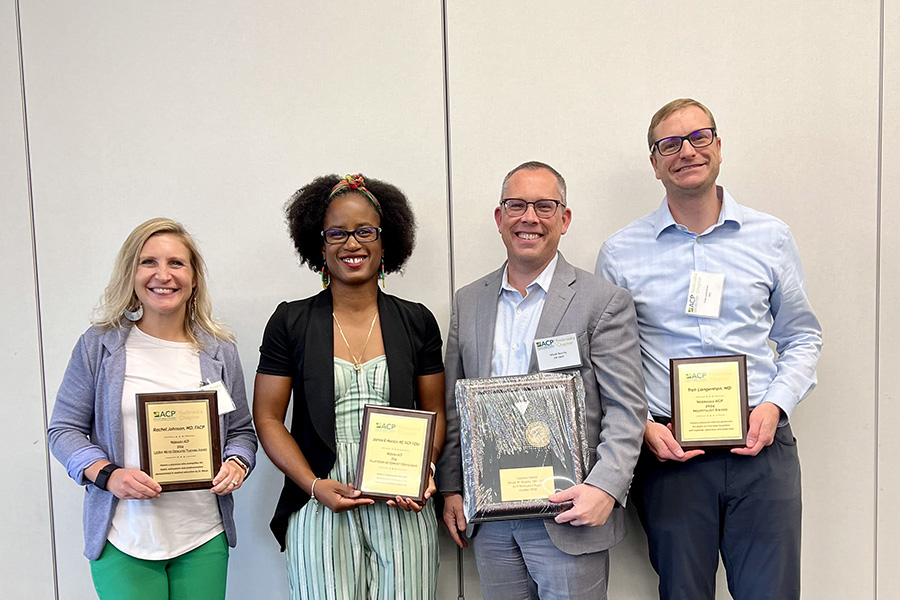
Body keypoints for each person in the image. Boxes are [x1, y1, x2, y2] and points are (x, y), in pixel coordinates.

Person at [596, 98, 823, 600]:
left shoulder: (771, 237)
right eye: (669, 144)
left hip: (760, 444)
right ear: (654, 163)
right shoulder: (621, 251)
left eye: (699, 137)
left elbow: (802, 336)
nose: (687, 152)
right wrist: (643, 427)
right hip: (671, 454)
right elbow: (611, 363)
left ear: (718, 146)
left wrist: (774, 405)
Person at [437, 161, 647, 600]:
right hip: (491, 520)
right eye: (516, 205)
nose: (529, 217)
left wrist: (604, 488)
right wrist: (454, 488)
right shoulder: (469, 301)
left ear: (564, 219)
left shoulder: (602, 302)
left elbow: (627, 410)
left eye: (544, 206)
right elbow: (457, 406)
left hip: (568, 515)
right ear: (499, 218)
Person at [254, 174, 446, 600]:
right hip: (319, 498)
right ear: (319, 245)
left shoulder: (416, 321)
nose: (352, 244)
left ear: (385, 242)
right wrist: (311, 483)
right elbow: (267, 418)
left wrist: (424, 472)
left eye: (365, 232)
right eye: (337, 233)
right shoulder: (291, 322)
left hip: (401, 504)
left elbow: (435, 415)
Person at [47, 217, 258, 600]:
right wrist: (108, 475)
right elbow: (63, 430)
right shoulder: (100, 346)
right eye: (149, 262)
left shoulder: (219, 351)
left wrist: (237, 463)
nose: (163, 275)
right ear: (131, 274)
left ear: (194, 278)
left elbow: (242, 431)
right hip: (124, 538)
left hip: (202, 535)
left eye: (176, 263)